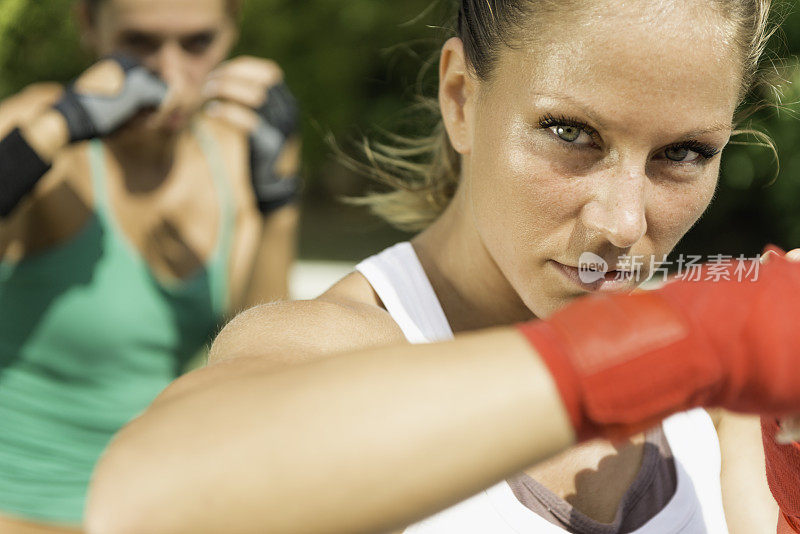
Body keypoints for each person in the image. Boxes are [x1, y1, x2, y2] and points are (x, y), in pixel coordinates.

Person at [85, 0, 800, 533]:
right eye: (570, 133)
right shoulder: (340, 345)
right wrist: (673, 344)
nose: (622, 222)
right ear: (460, 97)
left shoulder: (729, 412)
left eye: (683, 154)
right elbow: (142, 498)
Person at [0, 0, 300, 532]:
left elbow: (265, 367)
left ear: (231, 33)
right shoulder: (34, 130)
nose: (168, 72)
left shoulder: (236, 154)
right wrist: (59, 127)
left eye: (196, 44)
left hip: (154, 511)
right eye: (139, 43)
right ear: (89, 27)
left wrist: (278, 205)